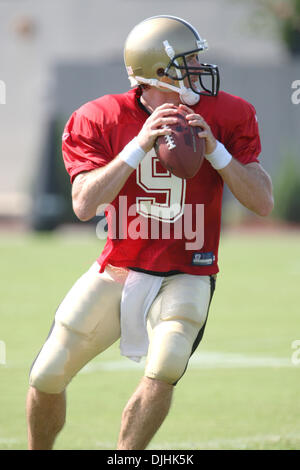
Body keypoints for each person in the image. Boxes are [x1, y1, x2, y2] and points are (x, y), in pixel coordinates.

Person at [26, 15, 274, 450]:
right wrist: (137, 145)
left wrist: (215, 150)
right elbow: (85, 205)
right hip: (119, 268)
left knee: (166, 366)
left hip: (188, 271)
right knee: (46, 373)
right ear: (157, 72)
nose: (199, 67)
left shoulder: (229, 114)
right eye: (188, 60)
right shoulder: (99, 117)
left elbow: (262, 201)